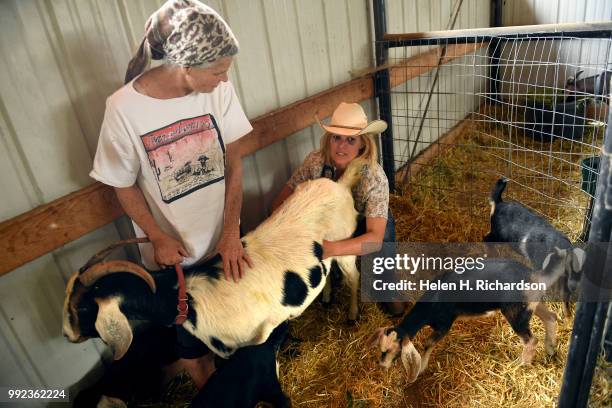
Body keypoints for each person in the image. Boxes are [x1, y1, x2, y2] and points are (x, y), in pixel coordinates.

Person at [90, 0, 252, 388]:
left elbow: (235, 163)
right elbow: (121, 184)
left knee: (232, 324)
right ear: (184, 66)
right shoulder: (124, 109)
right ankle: (204, 386)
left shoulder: (218, 92)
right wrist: (157, 236)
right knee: (191, 343)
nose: (224, 80)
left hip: (223, 246)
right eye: (218, 71)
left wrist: (232, 231)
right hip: (174, 258)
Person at [272, 102, 405, 316]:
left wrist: (331, 248)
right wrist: (295, 229)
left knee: (382, 265)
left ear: (362, 144)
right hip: (326, 223)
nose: (341, 146)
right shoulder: (315, 162)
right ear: (329, 139)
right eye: (336, 137)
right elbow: (280, 201)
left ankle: (389, 296)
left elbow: (374, 238)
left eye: (350, 140)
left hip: (365, 224)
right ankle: (330, 281)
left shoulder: (375, 177)